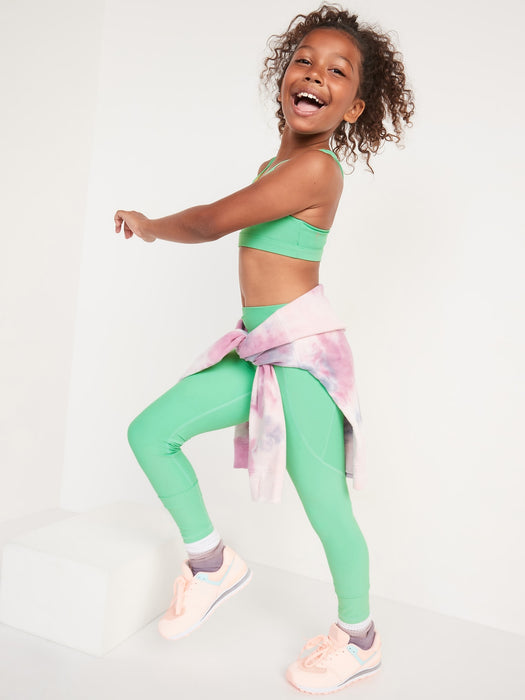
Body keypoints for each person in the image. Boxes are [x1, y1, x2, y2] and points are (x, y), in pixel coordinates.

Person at [114, 4, 414, 694]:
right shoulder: (275, 163)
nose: (314, 74)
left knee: (325, 505)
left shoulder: (316, 170)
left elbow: (212, 221)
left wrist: (150, 225)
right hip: (260, 350)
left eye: (337, 71)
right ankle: (211, 562)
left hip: (302, 357)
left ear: (354, 107)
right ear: (283, 78)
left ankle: (360, 639)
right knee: (151, 433)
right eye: (304, 60)